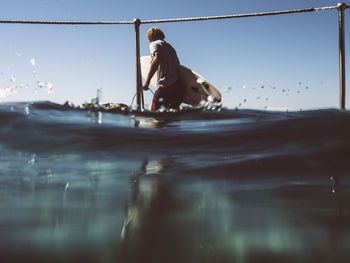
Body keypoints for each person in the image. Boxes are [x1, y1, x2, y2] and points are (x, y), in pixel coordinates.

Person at [142, 27, 184, 111]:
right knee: (171, 117)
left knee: (155, 115)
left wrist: (147, 82)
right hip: (177, 87)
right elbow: (178, 66)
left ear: (150, 37)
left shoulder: (154, 44)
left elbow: (156, 59)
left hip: (165, 86)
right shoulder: (171, 48)